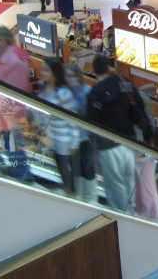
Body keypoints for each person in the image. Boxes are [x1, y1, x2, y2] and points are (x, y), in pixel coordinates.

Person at [87, 55, 136, 213]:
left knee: (115, 185)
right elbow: (136, 109)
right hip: (129, 143)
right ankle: (133, 213)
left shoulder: (95, 93)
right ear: (109, 68)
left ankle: (123, 217)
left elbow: (92, 123)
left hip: (108, 147)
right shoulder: (124, 84)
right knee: (129, 182)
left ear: (94, 72)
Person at [36, 58, 81, 196]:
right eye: (42, 69)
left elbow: (72, 119)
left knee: (66, 170)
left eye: (46, 70)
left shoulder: (63, 93)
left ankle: (71, 194)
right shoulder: (43, 86)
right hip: (52, 137)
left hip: (64, 139)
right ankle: (68, 191)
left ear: (54, 73)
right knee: (60, 167)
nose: (42, 72)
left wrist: (74, 142)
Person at [65, 64, 98, 204]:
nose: (68, 79)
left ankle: (91, 198)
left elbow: (92, 115)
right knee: (74, 169)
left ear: (78, 76)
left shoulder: (87, 91)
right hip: (70, 139)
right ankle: (79, 199)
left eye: (71, 76)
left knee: (88, 168)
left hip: (85, 138)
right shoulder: (65, 93)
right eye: (66, 76)